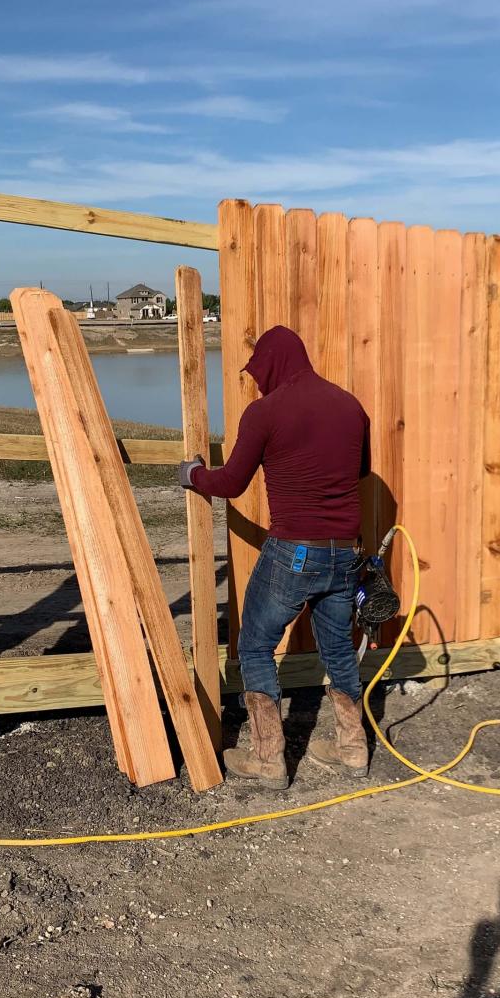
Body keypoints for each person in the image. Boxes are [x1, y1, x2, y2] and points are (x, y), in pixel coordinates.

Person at [179, 325, 371, 791]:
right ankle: (353, 749)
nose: (258, 381)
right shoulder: (351, 406)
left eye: (259, 372)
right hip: (345, 552)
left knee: (255, 645)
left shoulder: (265, 412)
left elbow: (230, 484)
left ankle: (269, 759)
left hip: (295, 552)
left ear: (272, 364)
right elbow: (361, 470)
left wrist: (193, 474)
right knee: (339, 648)